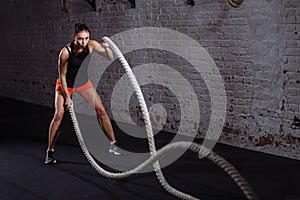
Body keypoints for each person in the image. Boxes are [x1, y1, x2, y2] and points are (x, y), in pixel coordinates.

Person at [45, 23, 123, 164]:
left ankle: (113, 144)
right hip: (66, 85)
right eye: (80, 39)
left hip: (82, 83)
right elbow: (62, 76)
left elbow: (110, 57)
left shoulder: (91, 45)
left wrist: (106, 46)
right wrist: (67, 97)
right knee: (58, 115)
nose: (83, 42)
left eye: (86, 38)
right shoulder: (65, 52)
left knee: (101, 110)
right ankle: (50, 152)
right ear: (74, 37)